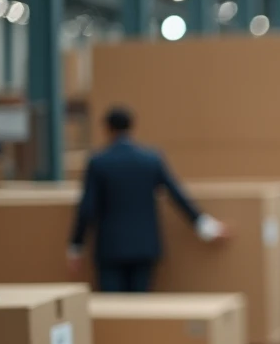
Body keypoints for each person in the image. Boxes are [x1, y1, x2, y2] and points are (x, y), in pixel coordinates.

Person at [68, 106, 227, 293]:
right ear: (132, 127)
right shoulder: (150, 159)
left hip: (111, 248)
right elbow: (176, 195)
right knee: (140, 309)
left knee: (112, 311)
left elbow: (87, 207)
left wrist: (76, 246)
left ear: (106, 128)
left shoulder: (98, 162)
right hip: (144, 246)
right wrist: (206, 227)